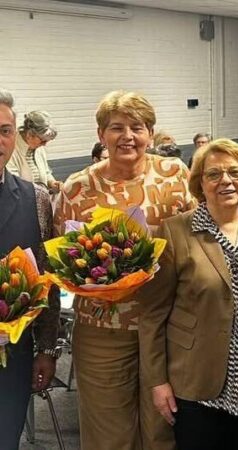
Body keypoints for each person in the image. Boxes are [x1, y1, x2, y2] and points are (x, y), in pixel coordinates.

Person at [54, 90, 197, 450]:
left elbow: (198, 238)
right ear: (101, 134)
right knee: (108, 434)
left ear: (150, 132)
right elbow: (63, 262)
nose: (127, 136)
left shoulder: (175, 175)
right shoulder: (76, 189)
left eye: (137, 127)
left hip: (167, 324)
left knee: (163, 430)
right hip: (103, 329)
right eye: (116, 128)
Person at [138, 139, 238, 449]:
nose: (226, 181)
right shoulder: (175, 232)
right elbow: (152, 315)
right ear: (200, 183)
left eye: (235, 172)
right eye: (214, 174)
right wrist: (158, 382)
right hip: (197, 385)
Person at [0, 88, 60, 450]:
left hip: (13, 361)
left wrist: (48, 349)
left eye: (5, 130)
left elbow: (46, 281)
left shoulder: (36, 199)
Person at [7, 111, 61, 193]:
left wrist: (52, 183)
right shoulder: (10, 148)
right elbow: (14, 184)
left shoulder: (38, 147)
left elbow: (46, 172)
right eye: (42, 140)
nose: (44, 144)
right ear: (29, 135)